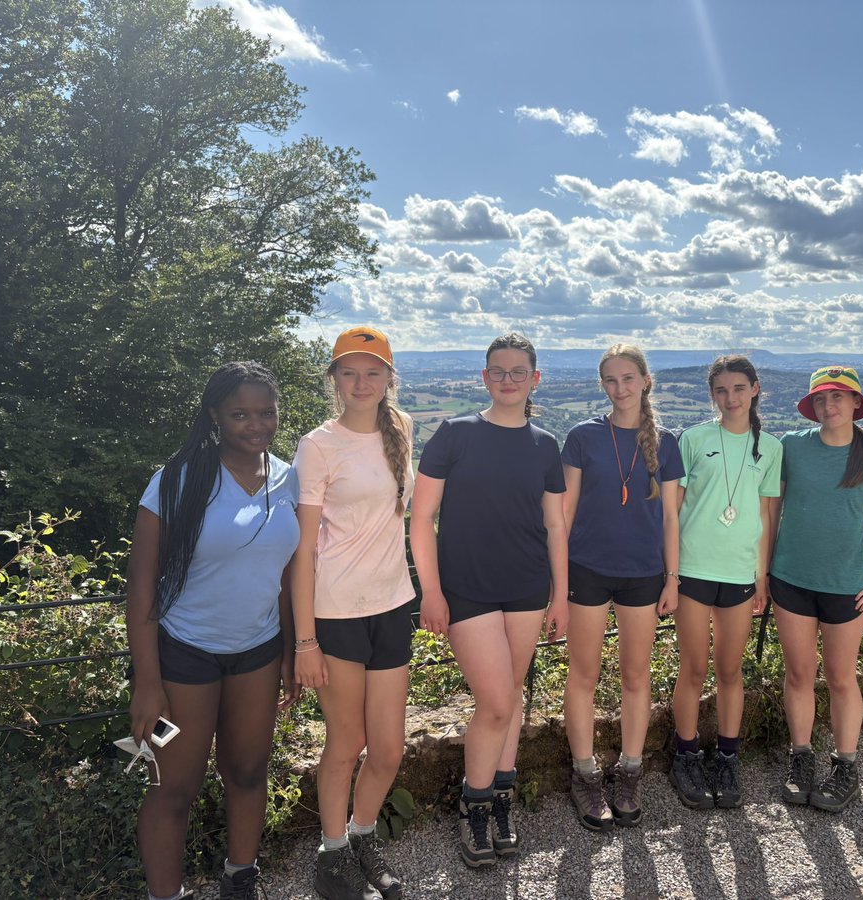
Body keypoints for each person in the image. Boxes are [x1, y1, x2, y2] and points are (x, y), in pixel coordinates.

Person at [125, 362, 301, 900]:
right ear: (214, 416)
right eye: (240, 414)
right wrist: (147, 682)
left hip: (258, 652)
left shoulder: (289, 479)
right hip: (182, 657)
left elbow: (288, 575)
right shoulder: (176, 480)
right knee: (172, 787)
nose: (256, 424)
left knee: (247, 771)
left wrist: (291, 651)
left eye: (266, 412)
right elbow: (141, 586)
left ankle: (240, 880)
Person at [409, 332, 568, 868]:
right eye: (497, 371)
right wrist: (431, 591)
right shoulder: (454, 434)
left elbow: (555, 525)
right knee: (497, 702)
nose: (507, 380)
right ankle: (473, 804)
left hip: (527, 587)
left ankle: (501, 797)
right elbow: (421, 519)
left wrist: (560, 596)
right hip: (467, 588)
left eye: (518, 371)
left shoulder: (545, 445)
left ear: (534, 379)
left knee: (512, 696)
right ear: (484, 377)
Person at [291, 327, 415, 900]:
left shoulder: (402, 428)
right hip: (337, 612)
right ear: (334, 379)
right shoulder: (318, 444)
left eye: (372, 372)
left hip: (393, 604)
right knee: (346, 743)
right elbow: (304, 550)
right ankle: (333, 852)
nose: (361, 383)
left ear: (388, 377)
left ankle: (362, 837)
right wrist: (305, 641)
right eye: (349, 372)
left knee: (388, 749)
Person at [769, 366, 863, 812]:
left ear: (855, 403)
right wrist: (763, 572)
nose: (828, 406)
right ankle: (801, 757)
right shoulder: (792, 447)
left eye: (837, 397)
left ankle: (846, 767)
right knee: (798, 675)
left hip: (846, 588)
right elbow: (772, 510)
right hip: (790, 579)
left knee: (841, 678)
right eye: (820, 399)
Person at [561, 345, 683, 831]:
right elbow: (565, 513)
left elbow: (671, 518)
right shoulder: (582, 436)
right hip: (586, 569)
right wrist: (557, 581)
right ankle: (585, 774)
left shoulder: (666, 443)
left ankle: (630, 772)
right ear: (602, 385)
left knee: (636, 675)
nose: (620, 388)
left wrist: (672, 578)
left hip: (643, 574)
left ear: (646, 381)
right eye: (610, 380)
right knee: (583, 675)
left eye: (628, 378)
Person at [669, 355, 782, 810]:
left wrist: (762, 575)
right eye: (721, 390)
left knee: (731, 671)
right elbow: (673, 511)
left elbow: (767, 516)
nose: (730, 398)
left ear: (755, 389)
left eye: (738, 388)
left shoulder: (770, 448)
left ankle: (728, 758)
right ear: (712, 394)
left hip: (739, 574)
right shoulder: (693, 439)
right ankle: (686, 755)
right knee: (694, 668)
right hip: (693, 570)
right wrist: (670, 572)